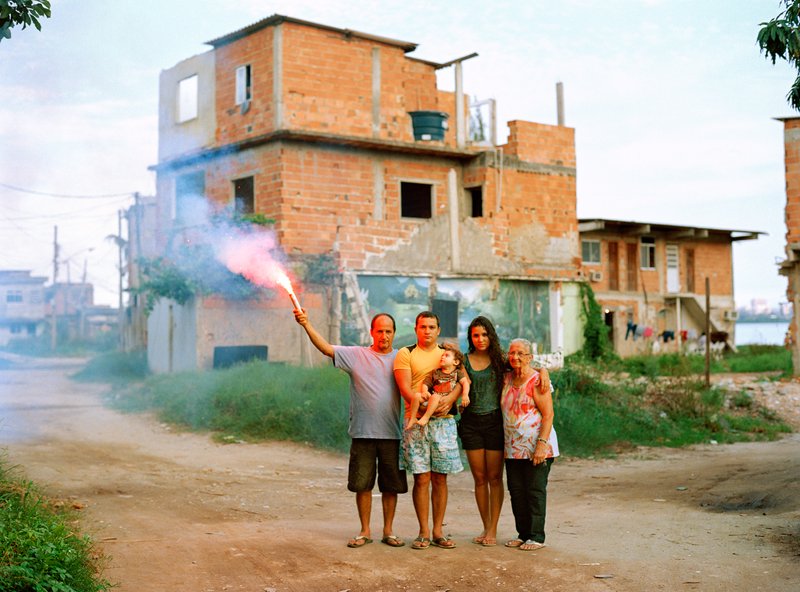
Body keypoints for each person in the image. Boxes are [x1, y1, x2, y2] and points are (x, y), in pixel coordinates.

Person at [294, 308, 408, 549]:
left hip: (392, 434)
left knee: (391, 486)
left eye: (388, 331)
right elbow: (326, 348)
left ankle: (388, 530)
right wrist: (306, 324)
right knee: (362, 484)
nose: (384, 336)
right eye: (380, 331)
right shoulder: (356, 355)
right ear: (371, 332)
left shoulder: (402, 358)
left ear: (394, 334)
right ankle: (365, 530)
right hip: (362, 432)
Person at [393, 311, 464, 550]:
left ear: (438, 329)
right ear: (416, 329)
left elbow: (462, 378)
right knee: (421, 478)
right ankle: (423, 532)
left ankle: (438, 531)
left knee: (440, 478)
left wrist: (451, 398)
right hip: (416, 420)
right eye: (423, 327)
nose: (427, 331)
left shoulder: (446, 354)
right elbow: (404, 389)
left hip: (444, 423)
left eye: (432, 327)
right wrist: (424, 408)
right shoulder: (406, 353)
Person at [501, 338, 559, 551]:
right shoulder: (506, 378)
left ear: (529, 357)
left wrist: (542, 445)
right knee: (517, 491)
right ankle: (523, 533)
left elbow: (548, 414)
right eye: (512, 353)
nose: (515, 357)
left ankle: (536, 536)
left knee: (534, 491)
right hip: (512, 447)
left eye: (521, 354)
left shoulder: (537, 381)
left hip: (537, 446)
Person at [459, 316, 507, 547]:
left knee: (495, 478)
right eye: (476, 335)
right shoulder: (464, 361)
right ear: (471, 337)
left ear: (491, 335)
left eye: (485, 334)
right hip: (471, 424)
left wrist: (543, 372)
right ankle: (486, 525)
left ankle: (493, 529)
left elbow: (524, 364)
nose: (481, 339)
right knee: (479, 478)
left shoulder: (500, 360)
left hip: (495, 422)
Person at [406, 342, 470, 430]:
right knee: (417, 396)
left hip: (444, 402)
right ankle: (413, 418)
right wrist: (424, 392)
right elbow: (426, 383)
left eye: (446, 355)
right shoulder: (435, 372)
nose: (442, 357)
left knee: (435, 396)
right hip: (432, 399)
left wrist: (465, 395)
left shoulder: (457, 373)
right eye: (442, 355)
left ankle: (426, 417)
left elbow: (465, 383)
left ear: (456, 362)